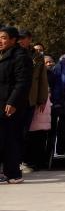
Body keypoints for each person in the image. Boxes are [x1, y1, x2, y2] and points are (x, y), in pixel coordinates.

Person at [0, 26, 32, 183]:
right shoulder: (3, 55)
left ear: (13, 40)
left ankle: (13, 174)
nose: (0, 41)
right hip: (1, 102)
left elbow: (22, 82)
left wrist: (12, 102)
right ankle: (10, 173)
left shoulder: (20, 57)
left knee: (10, 139)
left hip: (11, 105)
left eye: (3, 37)